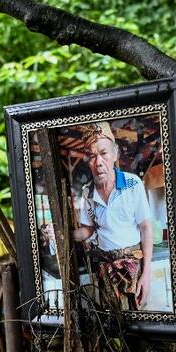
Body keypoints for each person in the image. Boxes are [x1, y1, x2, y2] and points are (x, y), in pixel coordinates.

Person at [66, 121, 154, 310]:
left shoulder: (133, 184)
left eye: (103, 153)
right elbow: (88, 230)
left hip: (134, 267)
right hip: (105, 270)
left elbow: (146, 227)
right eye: (91, 156)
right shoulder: (87, 192)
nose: (98, 162)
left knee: (138, 321)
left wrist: (147, 273)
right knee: (112, 324)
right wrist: (66, 235)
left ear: (115, 154)